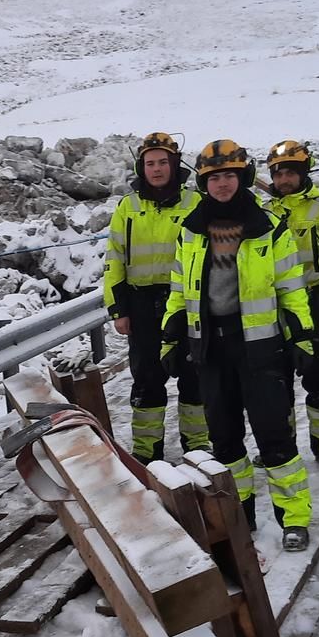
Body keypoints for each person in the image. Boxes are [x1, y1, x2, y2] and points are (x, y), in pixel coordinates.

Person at [161, 140, 317, 551]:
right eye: (214, 178)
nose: (223, 184)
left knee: (274, 437)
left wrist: (301, 334)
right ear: (204, 183)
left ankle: (294, 517)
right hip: (211, 349)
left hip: (261, 349)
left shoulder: (269, 228)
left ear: (243, 178)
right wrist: (170, 334)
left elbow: (291, 287)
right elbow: (179, 289)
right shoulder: (191, 231)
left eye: (230, 175)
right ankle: (239, 515)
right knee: (225, 440)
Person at [103, 133, 208, 462]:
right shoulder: (128, 208)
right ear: (141, 167)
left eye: (163, 162)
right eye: (150, 163)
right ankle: (147, 452)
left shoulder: (195, 204)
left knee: (194, 378)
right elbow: (114, 259)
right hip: (142, 306)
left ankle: (198, 447)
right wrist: (118, 309)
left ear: (175, 164)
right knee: (147, 380)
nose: (157, 168)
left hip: (188, 304)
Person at [263, 140, 319, 470]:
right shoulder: (262, 214)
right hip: (273, 309)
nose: (284, 179)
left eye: (290, 173)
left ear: (303, 174)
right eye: (278, 173)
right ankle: (280, 446)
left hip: (315, 303)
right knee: (275, 382)